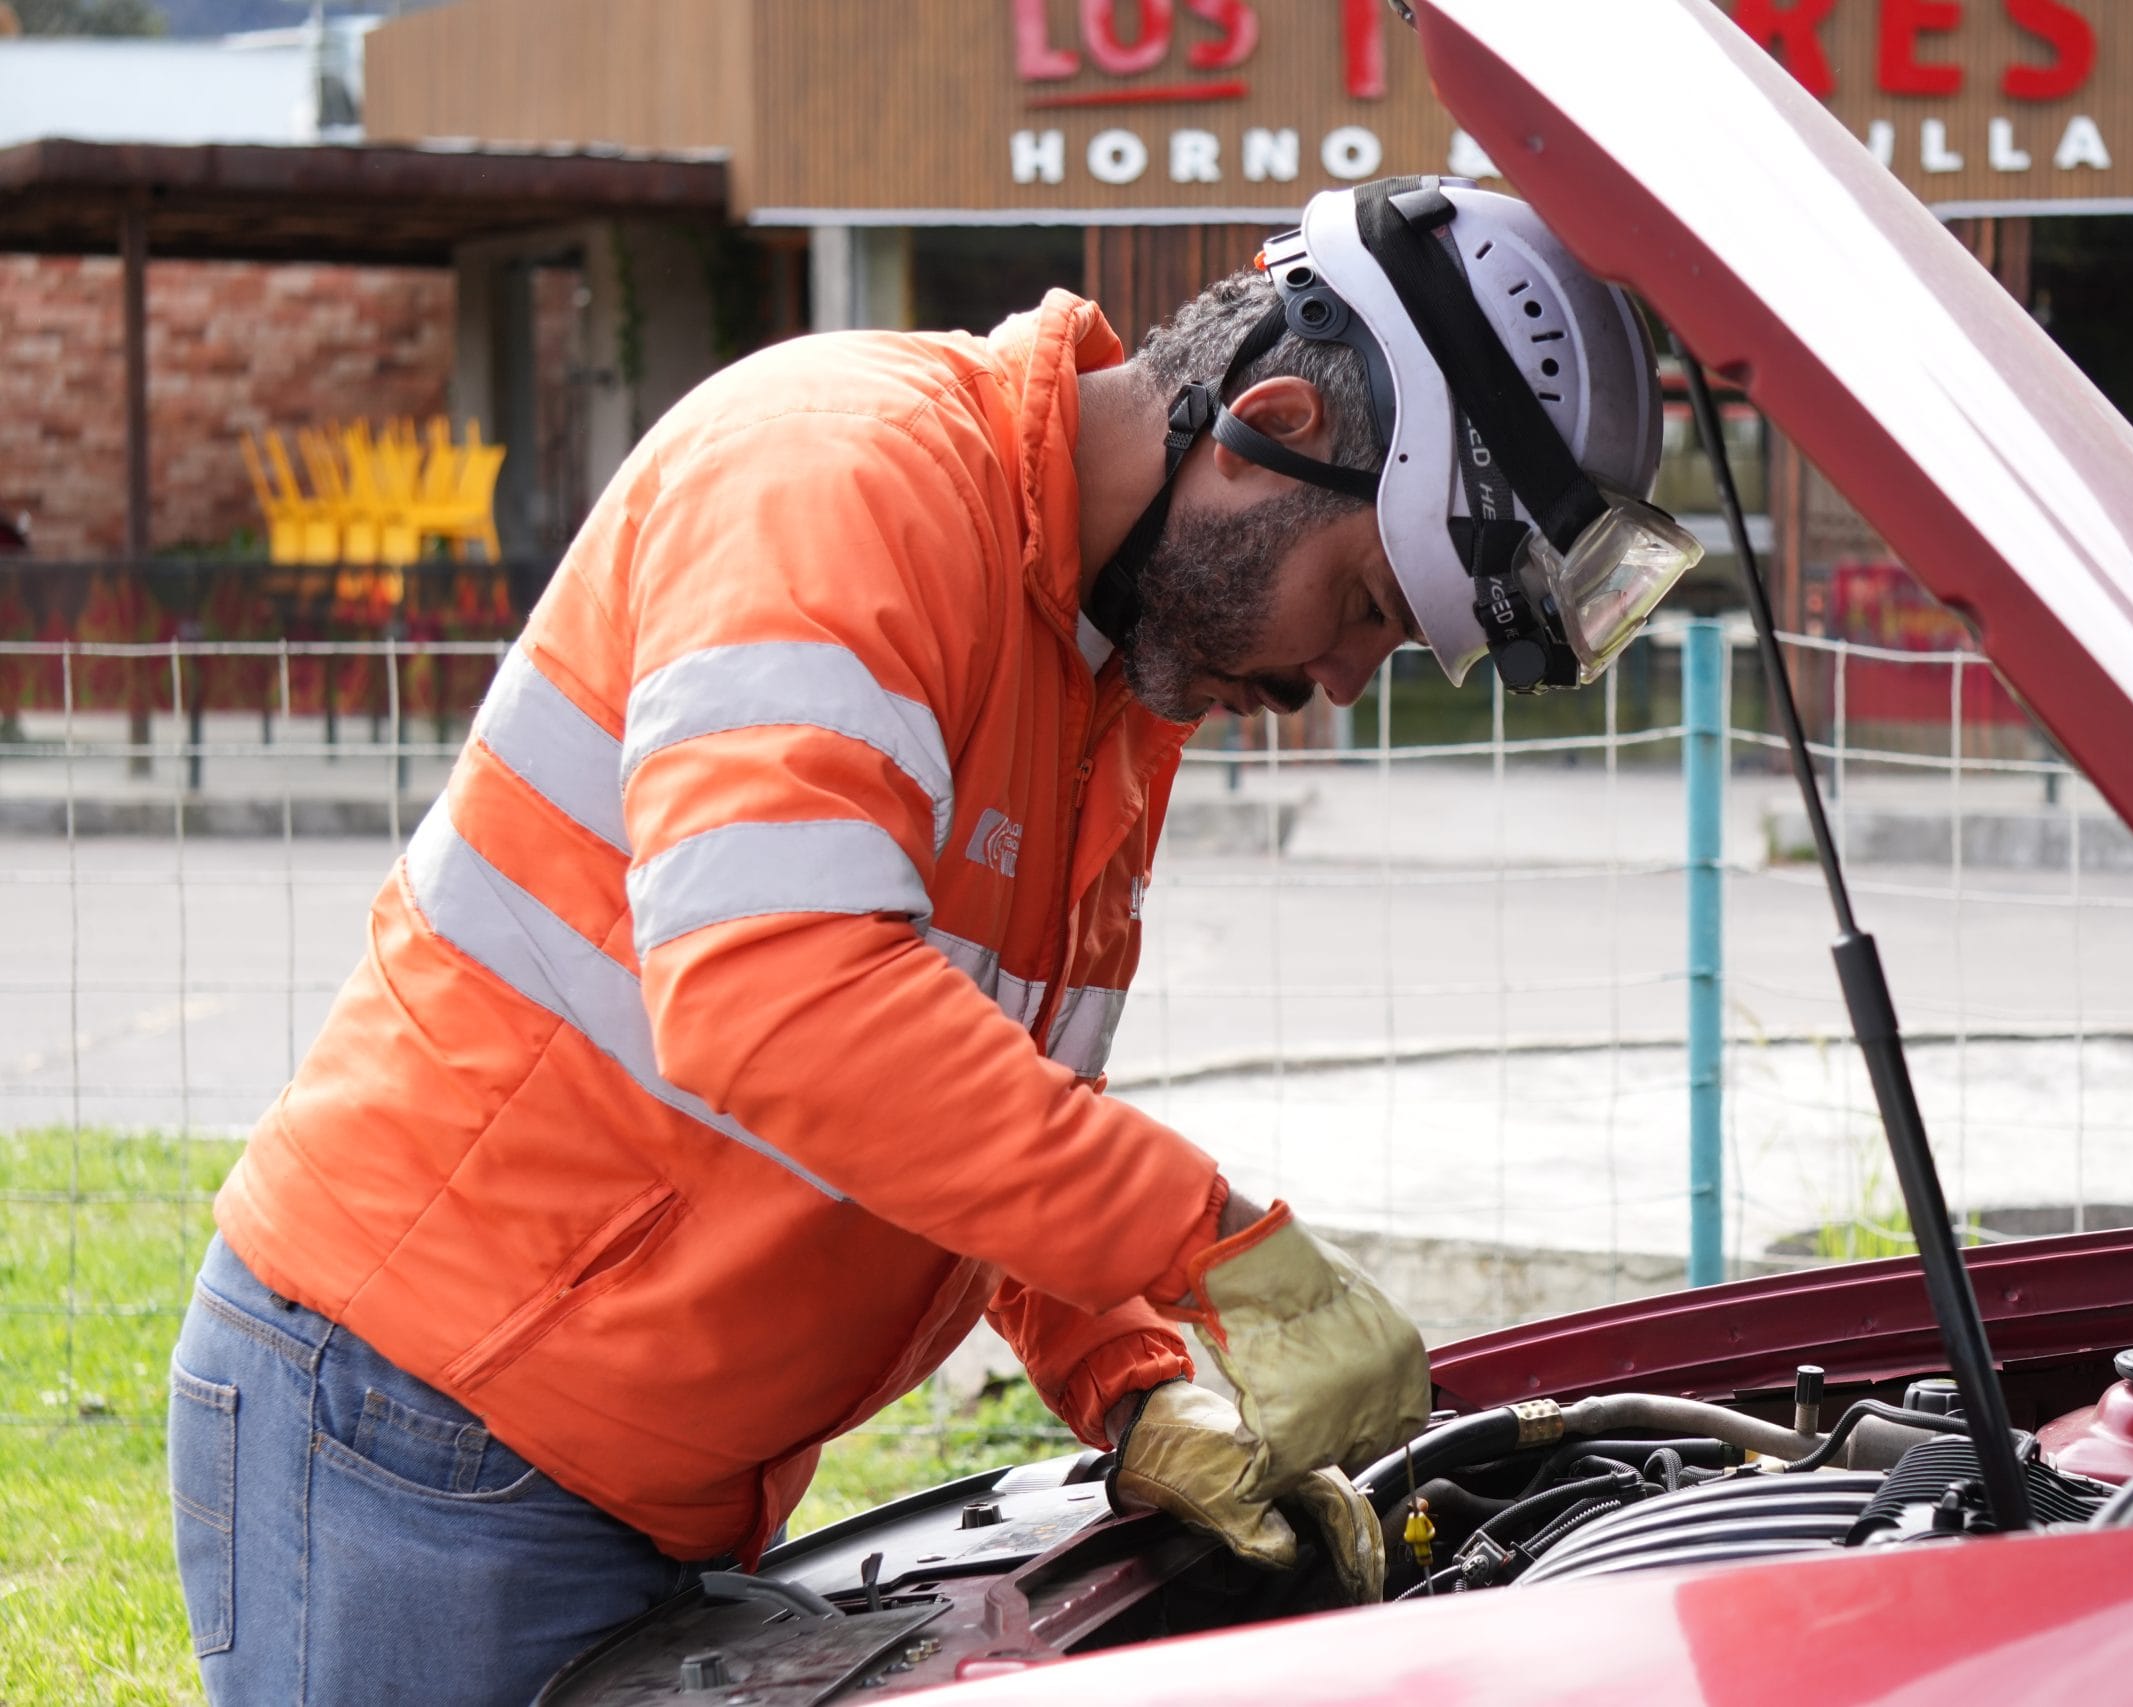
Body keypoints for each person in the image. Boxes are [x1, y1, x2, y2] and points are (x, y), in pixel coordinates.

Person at [166, 176, 1691, 1704]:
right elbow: (780, 998)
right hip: (414, 1426)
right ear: (1270, 421)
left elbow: (958, 1094)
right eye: (1361, 604)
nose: (1338, 683)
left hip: (638, 1468)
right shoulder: (841, 481)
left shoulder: (1116, 680)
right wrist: (1218, 1250)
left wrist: (1134, 1374)